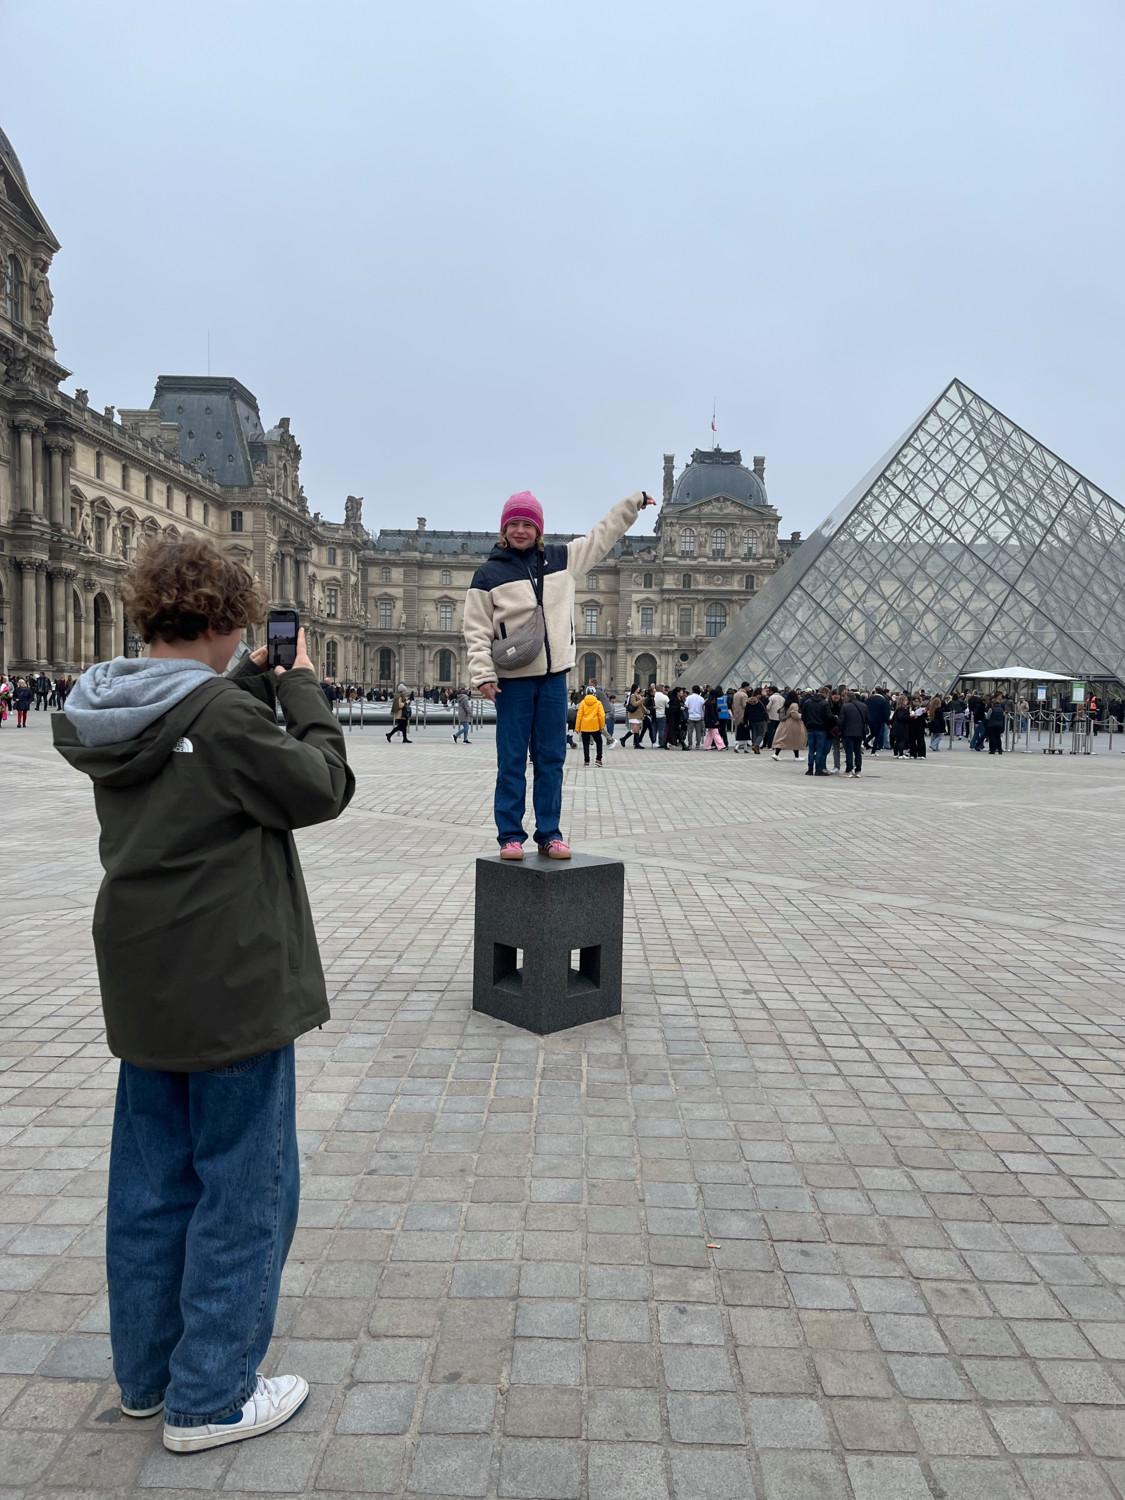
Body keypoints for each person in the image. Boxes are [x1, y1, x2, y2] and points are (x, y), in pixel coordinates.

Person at [52, 535, 354, 1455]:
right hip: (231, 981)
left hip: (143, 979)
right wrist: (298, 686)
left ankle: (148, 1380)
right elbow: (321, 784)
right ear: (227, 621)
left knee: (150, 1184)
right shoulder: (222, 714)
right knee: (244, 1186)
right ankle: (213, 1394)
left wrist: (247, 690)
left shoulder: (104, 708)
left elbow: (202, 744)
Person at [464, 487, 652, 859]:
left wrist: (633, 504)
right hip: (512, 681)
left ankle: (549, 832)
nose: (520, 530)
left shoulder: (563, 559)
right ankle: (510, 836)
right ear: (504, 529)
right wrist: (483, 674)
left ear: (538, 528)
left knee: (551, 759)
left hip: (554, 678)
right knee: (512, 760)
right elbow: (476, 629)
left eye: (527, 523)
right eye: (513, 524)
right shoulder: (487, 574)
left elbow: (603, 535)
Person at [801, 686, 833, 776]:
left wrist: (807, 724)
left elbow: (803, 716)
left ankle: (810, 769)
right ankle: (818, 769)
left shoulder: (807, 702)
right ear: (826, 693)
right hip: (821, 729)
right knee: (819, 750)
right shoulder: (824, 703)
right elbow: (829, 717)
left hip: (810, 729)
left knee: (811, 750)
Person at [838, 690, 867, 778]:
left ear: (848, 697)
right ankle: (858, 770)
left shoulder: (845, 707)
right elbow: (866, 720)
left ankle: (849, 770)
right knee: (858, 751)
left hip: (848, 732)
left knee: (849, 751)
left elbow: (841, 721)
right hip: (860, 732)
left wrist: (839, 730)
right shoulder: (864, 706)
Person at [575, 685, 606, 767]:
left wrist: (577, 728)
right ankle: (598, 760)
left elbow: (579, 716)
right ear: (594, 693)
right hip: (595, 726)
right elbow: (602, 715)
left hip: (584, 727)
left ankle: (586, 761)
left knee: (585, 744)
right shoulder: (598, 703)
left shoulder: (582, 703)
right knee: (599, 742)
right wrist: (601, 726)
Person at [866, 686, 890, 755]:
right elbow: (885, 713)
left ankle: (865, 743)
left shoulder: (869, 699)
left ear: (876, 691)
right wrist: (888, 722)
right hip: (879, 720)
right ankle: (873, 751)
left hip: (869, 720)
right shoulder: (883, 700)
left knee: (873, 733)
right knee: (877, 735)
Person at [625, 684, 647, 748]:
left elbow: (641, 705)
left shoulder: (638, 695)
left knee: (637, 730)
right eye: (638, 687)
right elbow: (634, 704)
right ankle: (623, 739)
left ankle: (637, 744)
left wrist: (645, 710)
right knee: (634, 730)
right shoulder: (633, 695)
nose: (639, 689)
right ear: (635, 688)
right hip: (634, 714)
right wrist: (641, 700)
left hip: (639, 715)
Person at [890, 693, 911, 758]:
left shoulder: (898, 709)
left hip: (896, 726)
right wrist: (909, 715)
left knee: (897, 741)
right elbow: (901, 717)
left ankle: (896, 754)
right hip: (901, 727)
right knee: (902, 740)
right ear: (902, 701)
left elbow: (893, 718)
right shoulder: (903, 709)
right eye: (906, 700)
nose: (907, 701)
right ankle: (901, 754)